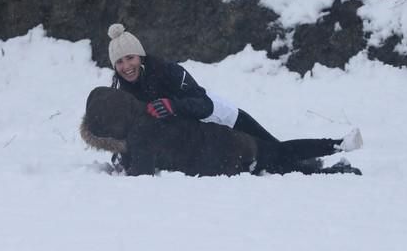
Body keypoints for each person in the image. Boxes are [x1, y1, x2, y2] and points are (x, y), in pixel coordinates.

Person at [107, 23, 362, 154]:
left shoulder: (170, 71)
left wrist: (173, 106)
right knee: (274, 162)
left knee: (277, 151)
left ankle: (337, 145)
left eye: (130, 58)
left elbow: (202, 103)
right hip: (204, 138)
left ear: (140, 56)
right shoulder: (124, 93)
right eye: (119, 62)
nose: (126, 66)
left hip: (226, 118)